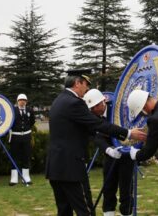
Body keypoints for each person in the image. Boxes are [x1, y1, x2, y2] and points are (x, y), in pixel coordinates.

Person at [46, 70, 147, 216]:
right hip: (71, 168)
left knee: (64, 210)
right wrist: (129, 133)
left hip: (55, 167)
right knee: (85, 210)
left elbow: (84, 130)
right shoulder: (74, 103)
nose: (86, 90)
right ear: (77, 83)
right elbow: (97, 124)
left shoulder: (58, 101)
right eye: (86, 85)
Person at [84, 89, 134, 216]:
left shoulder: (117, 108)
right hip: (110, 154)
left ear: (103, 101)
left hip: (126, 154)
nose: (95, 109)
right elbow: (94, 136)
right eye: (92, 108)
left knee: (126, 189)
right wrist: (108, 149)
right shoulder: (92, 116)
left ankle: (126, 213)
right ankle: (108, 212)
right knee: (108, 188)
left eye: (96, 106)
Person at [9, 93, 35, 186]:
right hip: (15, 136)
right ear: (17, 101)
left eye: (24, 100)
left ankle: (26, 177)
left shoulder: (30, 110)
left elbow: (32, 122)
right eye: (20, 100)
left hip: (26, 136)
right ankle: (14, 178)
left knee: (26, 156)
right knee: (14, 156)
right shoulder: (13, 111)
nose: (22, 102)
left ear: (26, 101)